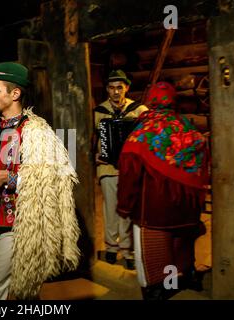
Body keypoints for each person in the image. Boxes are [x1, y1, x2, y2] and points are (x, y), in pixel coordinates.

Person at [0, 62, 81, 300]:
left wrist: (7, 177)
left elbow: (52, 176)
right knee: (25, 286)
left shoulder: (36, 130)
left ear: (15, 94)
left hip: (22, 221)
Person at [116, 82, 210, 300]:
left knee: (156, 255)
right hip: (187, 209)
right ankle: (181, 279)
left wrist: (124, 205)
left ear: (151, 101)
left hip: (154, 211)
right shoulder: (187, 127)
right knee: (181, 249)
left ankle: (161, 290)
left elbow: (129, 172)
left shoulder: (143, 133)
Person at [93, 70, 148, 269]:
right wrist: (94, 156)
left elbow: (147, 140)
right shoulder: (99, 111)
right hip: (107, 167)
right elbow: (91, 140)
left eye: (119, 87)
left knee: (127, 210)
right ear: (107, 89)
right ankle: (111, 248)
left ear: (126, 88)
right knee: (110, 210)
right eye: (111, 88)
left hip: (131, 170)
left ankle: (127, 250)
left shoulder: (139, 110)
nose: (115, 92)